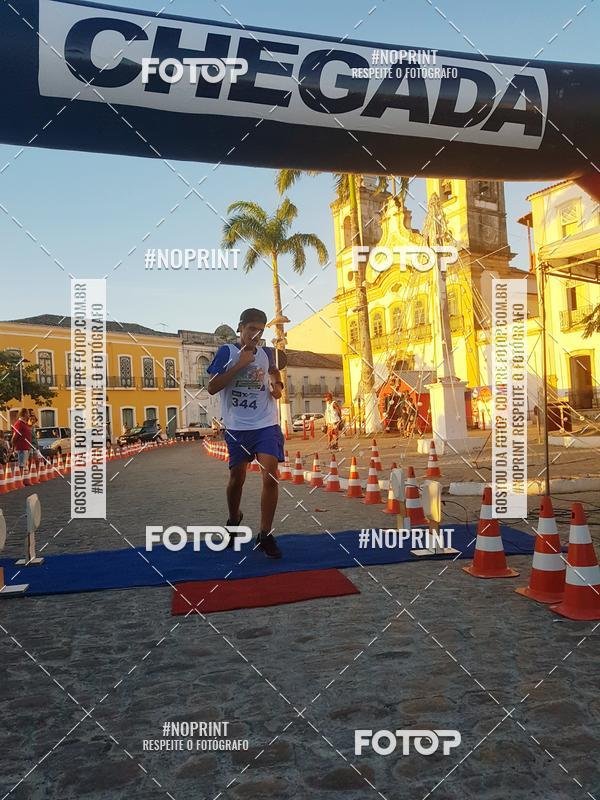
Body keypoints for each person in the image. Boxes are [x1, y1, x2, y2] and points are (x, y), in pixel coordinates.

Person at [207, 308, 286, 559]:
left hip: (265, 423)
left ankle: (265, 534)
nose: (256, 334)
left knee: (271, 474)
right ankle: (234, 517)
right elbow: (212, 387)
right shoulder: (227, 352)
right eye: (251, 328)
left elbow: (275, 374)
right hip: (237, 427)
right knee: (236, 479)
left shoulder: (268, 353)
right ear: (240, 328)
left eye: (261, 330)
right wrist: (240, 365)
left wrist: (277, 387)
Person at [11, 408, 32, 484]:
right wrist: (12, 446)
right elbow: (15, 436)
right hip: (21, 447)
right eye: (28, 413)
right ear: (25, 414)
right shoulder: (19, 424)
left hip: (26, 447)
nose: (29, 415)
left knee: (24, 464)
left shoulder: (24, 423)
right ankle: (19, 480)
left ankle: (23, 480)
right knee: (21, 464)